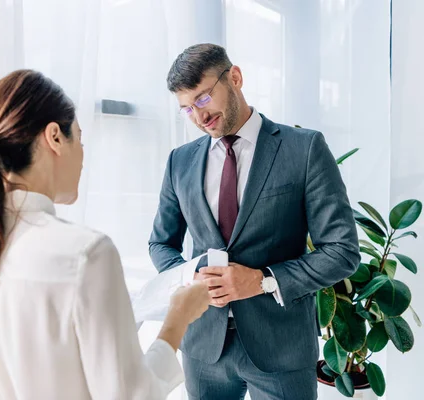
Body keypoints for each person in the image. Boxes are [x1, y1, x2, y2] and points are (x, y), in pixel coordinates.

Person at [0, 69, 211, 400]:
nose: (82, 156)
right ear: (54, 137)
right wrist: (177, 320)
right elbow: (131, 396)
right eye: (79, 138)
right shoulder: (86, 254)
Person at [149, 43, 360, 400]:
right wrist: (191, 279)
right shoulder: (179, 161)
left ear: (235, 77)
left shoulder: (303, 148)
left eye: (202, 99)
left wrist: (263, 281)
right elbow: (161, 243)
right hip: (203, 349)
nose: (199, 117)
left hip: (282, 347)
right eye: (186, 109)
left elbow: (341, 251)